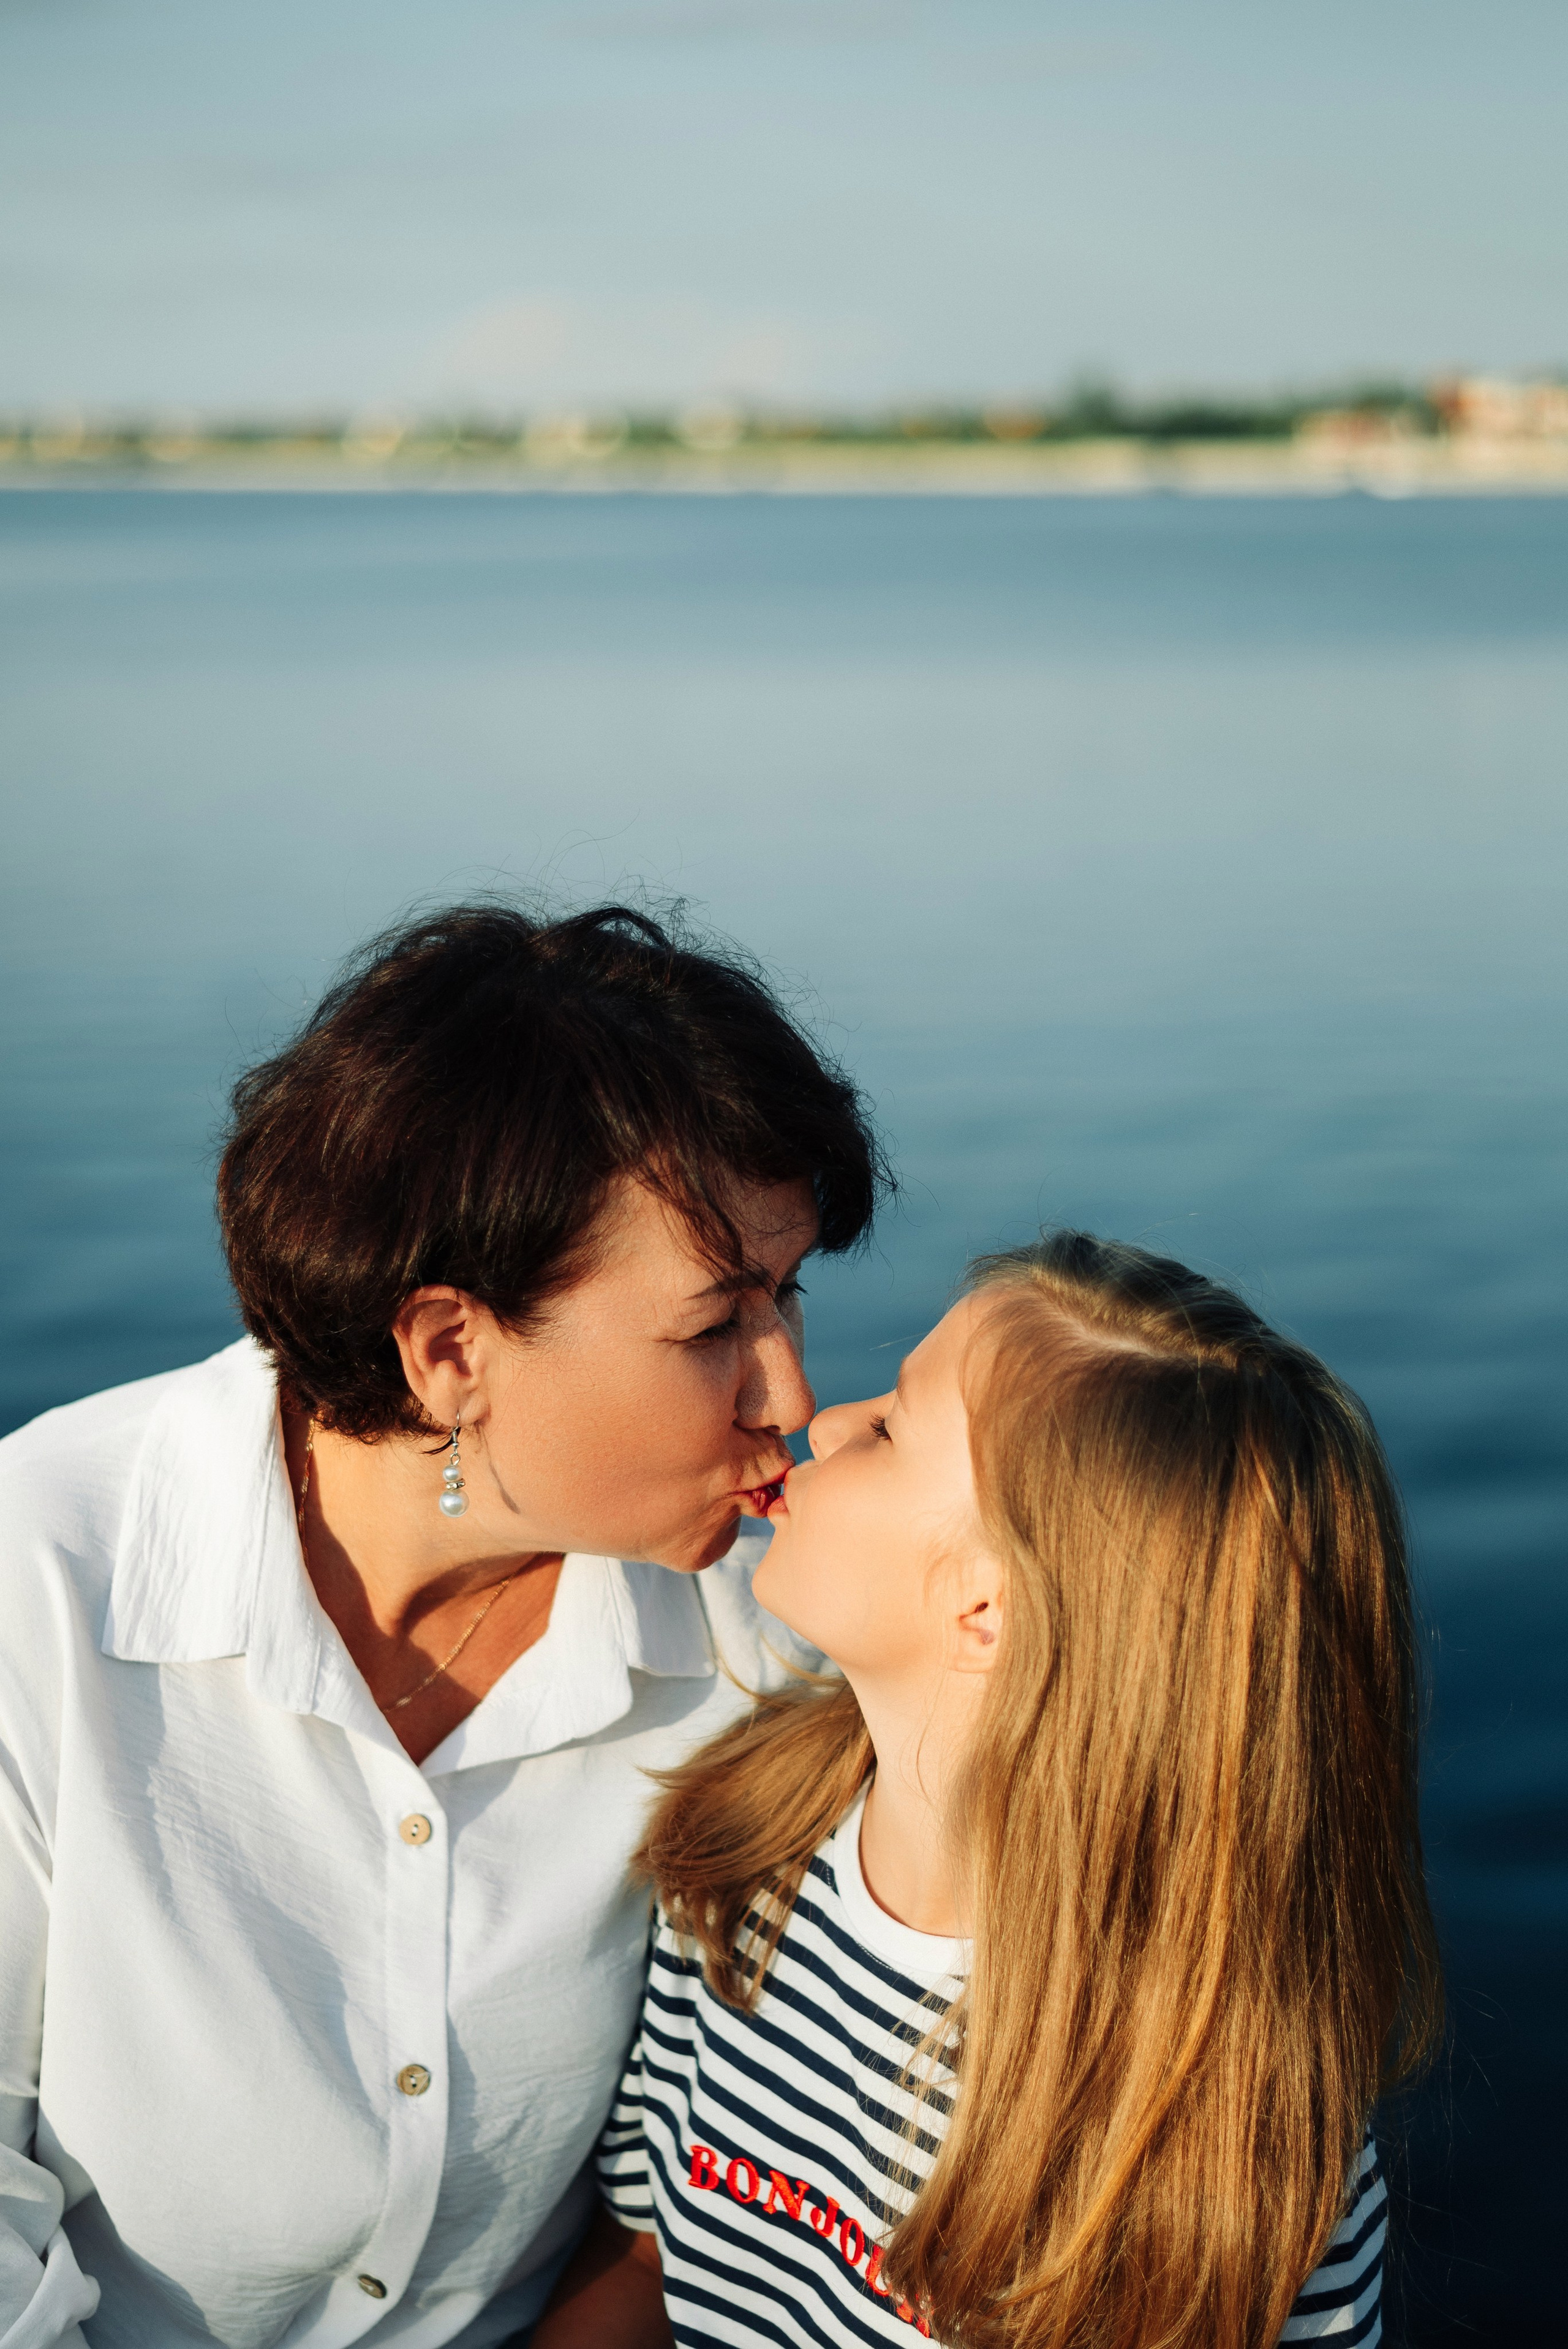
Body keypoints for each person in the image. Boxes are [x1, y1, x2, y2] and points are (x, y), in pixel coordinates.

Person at [0, 902, 887, 2349]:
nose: (788, 1394)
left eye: (786, 1298)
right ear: (450, 1349)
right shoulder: (37, 1581)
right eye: (713, 1325)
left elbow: (701, 2189)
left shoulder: (761, 1639)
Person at [546, 1232, 1442, 2349]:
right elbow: (644, 2253)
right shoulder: (741, 1853)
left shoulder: (1209, 2139)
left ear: (989, 1611)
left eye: (890, 1430)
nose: (826, 1419)